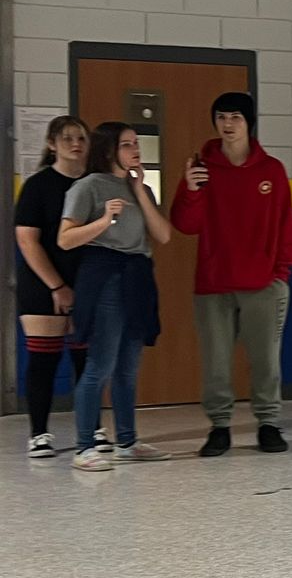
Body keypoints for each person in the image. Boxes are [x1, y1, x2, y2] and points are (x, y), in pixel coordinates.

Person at [171, 92, 292, 456]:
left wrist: (280, 273)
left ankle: (268, 422)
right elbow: (185, 225)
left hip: (264, 284)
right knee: (215, 362)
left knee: (265, 360)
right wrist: (191, 190)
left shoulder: (271, 170)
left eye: (236, 117)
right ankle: (220, 426)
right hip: (214, 283)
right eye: (221, 117)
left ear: (248, 122)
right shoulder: (201, 167)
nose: (227, 124)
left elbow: (286, 224)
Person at [59, 121, 176, 472]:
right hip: (105, 275)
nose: (135, 150)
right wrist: (104, 220)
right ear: (109, 149)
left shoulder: (141, 187)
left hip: (137, 275)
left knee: (128, 367)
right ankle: (84, 447)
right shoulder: (88, 186)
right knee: (100, 364)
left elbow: (163, 235)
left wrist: (139, 190)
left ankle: (127, 441)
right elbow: (65, 239)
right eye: (127, 144)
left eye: (136, 143)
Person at [14, 115, 97, 460]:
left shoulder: (95, 183)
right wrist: (58, 286)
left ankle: (92, 428)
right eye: (67, 138)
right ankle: (38, 433)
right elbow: (27, 241)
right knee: (43, 360)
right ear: (52, 145)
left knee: (86, 360)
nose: (75, 144)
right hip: (42, 283)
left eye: (81, 138)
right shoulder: (38, 186)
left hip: (87, 282)